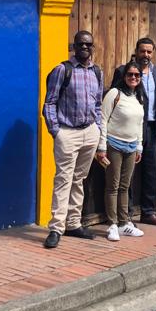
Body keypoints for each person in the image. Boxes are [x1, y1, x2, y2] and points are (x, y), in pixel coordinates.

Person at [41, 30, 102, 249]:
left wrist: (99, 131)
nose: (85, 47)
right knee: (63, 179)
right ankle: (56, 227)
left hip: (89, 132)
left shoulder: (97, 71)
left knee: (79, 178)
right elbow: (49, 103)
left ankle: (73, 223)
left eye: (88, 44)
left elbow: (97, 105)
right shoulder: (62, 70)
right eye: (81, 44)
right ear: (74, 46)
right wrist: (56, 131)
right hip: (68, 132)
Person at [110, 38, 156, 227]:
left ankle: (148, 212)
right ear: (136, 51)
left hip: (152, 128)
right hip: (132, 128)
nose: (146, 55)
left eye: (149, 52)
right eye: (142, 51)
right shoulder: (124, 71)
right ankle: (126, 214)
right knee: (130, 172)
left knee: (151, 170)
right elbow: (115, 97)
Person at [96, 62, 147, 242]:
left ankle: (124, 223)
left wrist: (139, 146)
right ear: (124, 76)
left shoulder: (139, 96)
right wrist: (101, 147)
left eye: (137, 75)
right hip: (113, 144)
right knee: (113, 186)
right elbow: (102, 119)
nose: (133, 78)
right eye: (130, 74)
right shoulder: (114, 94)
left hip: (132, 147)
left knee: (125, 186)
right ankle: (112, 224)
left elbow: (139, 124)